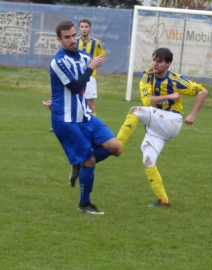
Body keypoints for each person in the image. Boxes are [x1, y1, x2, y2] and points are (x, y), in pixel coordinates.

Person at [43, 20, 121, 215]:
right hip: (67, 120)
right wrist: (91, 67)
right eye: (67, 37)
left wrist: (57, 98)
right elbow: (76, 87)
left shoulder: (85, 56)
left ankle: (79, 161)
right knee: (90, 161)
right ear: (59, 40)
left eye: (73, 35)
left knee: (115, 147)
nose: (72, 40)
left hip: (85, 115)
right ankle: (84, 204)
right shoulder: (58, 61)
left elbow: (78, 88)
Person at [116, 47, 208, 207]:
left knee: (135, 111)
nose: (155, 64)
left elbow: (202, 92)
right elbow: (147, 101)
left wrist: (193, 114)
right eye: (154, 60)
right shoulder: (147, 75)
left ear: (168, 64)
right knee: (148, 160)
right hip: (157, 124)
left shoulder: (177, 80)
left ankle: (117, 145)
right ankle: (164, 200)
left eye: (159, 61)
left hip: (172, 121)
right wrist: (170, 96)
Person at [77, 18, 106, 116]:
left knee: (89, 103)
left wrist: (94, 65)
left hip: (90, 77)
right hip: (77, 76)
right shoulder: (75, 42)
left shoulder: (96, 43)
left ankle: (93, 126)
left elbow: (102, 57)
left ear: (89, 28)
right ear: (79, 28)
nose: (84, 29)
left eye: (86, 27)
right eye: (82, 27)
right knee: (74, 101)